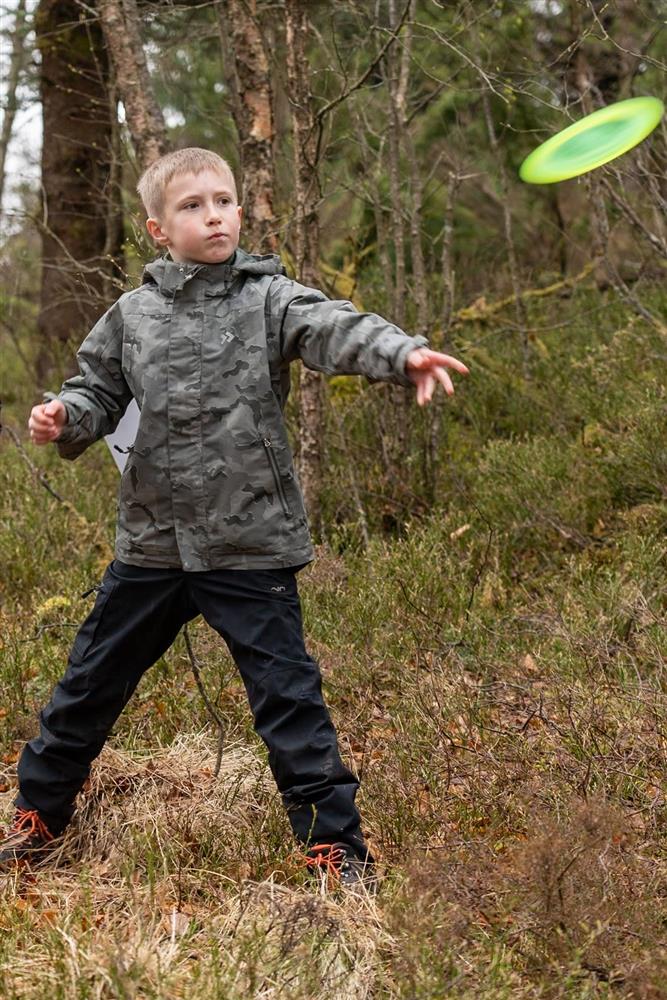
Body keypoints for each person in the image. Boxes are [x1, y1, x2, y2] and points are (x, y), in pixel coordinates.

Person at [2, 148, 469, 894]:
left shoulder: (269, 298)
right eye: (192, 205)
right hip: (152, 545)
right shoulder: (132, 314)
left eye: (224, 200)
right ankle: (38, 815)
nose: (213, 214)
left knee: (287, 700)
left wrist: (401, 353)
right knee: (87, 684)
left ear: (240, 214)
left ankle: (334, 851)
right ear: (158, 228)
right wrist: (65, 419)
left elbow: (334, 327)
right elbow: (95, 391)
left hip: (248, 542)